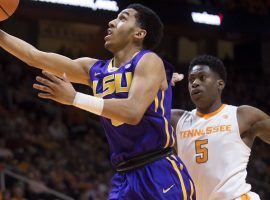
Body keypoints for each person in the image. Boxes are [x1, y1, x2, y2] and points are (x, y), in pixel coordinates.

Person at [0, 4, 195, 199]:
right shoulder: (94, 69)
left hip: (158, 169)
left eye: (123, 18)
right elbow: (35, 57)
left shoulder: (148, 60)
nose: (111, 22)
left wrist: (75, 98)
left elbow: (132, 112)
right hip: (124, 176)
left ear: (139, 33)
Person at [171, 55, 270, 200]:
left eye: (202, 77)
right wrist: (159, 86)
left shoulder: (242, 116)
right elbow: (136, 120)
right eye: (191, 80)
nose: (195, 83)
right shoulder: (175, 120)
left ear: (220, 84)